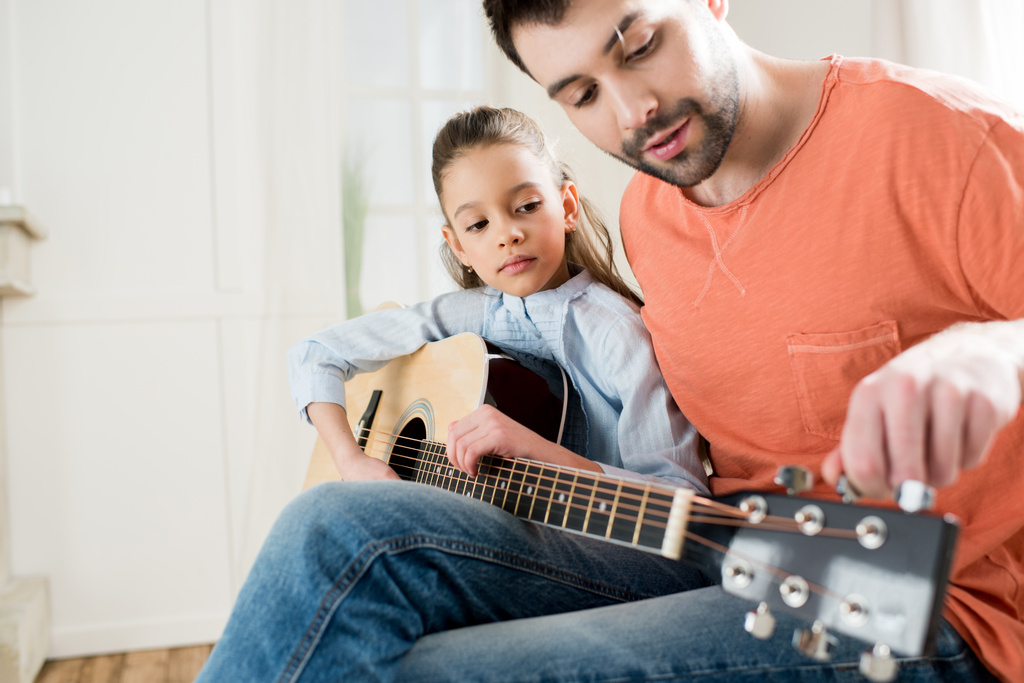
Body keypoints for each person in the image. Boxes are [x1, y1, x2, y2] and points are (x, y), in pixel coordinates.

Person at [197, 1, 1023, 681]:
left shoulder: (941, 137)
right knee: (333, 526)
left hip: (925, 594)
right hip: (708, 541)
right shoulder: (648, 214)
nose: (632, 113)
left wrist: (991, 351)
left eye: (638, 46)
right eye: (580, 94)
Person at [286, 105, 708, 492]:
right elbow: (316, 354)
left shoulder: (617, 333)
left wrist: (538, 450)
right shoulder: (473, 313)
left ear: (567, 207)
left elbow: (680, 493)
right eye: (478, 224)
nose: (508, 234)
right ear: (459, 249)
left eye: (526, 205)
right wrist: (350, 460)